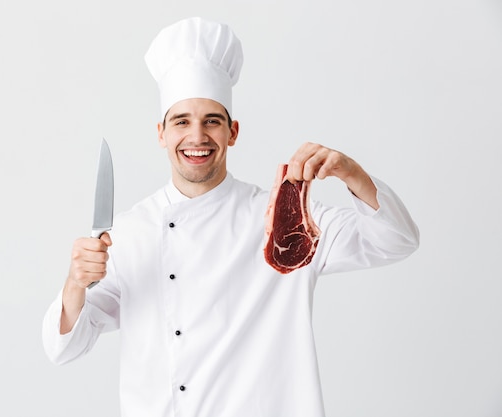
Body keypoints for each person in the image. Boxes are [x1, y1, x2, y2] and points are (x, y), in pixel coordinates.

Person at [42, 17, 419, 417]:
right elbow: (64, 347)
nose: (197, 136)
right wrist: (75, 283)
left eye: (212, 121)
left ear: (233, 132)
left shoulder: (285, 222)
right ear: (161, 133)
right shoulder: (128, 232)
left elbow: (397, 239)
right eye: (182, 121)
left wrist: (350, 172)